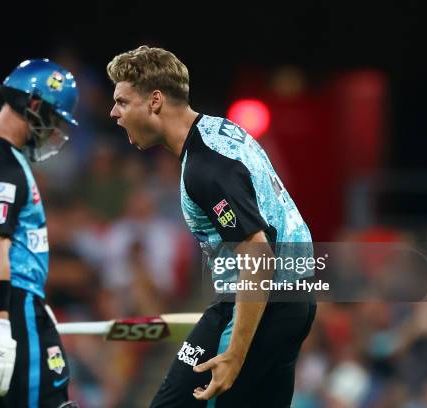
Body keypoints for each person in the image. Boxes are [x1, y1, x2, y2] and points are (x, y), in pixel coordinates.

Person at [107, 46, 317, 407]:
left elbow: (257, 253)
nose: (114, 113)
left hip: (263, 305)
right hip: (292, 300)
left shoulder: (206, 167)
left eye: (123, 102)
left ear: (154, 101)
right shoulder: (221, 130)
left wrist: (235, 354)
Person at [0, 58, 80, 408]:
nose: (51, 129)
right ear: (34, 104)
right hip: (6, 304)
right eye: (52, 117)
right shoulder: (2, 165)